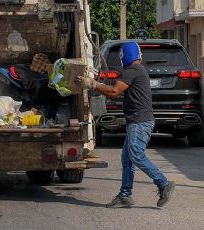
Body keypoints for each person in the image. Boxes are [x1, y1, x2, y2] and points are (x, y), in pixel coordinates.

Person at [75, 42, 175, 208]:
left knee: (135, 154)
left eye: (121, 56)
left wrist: (92, 84)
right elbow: (116, 83)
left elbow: (114, 91)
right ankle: (125, 196)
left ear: (125, 56)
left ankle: (163, 183)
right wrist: (96, 78)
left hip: (140, 122)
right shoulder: (135, 71)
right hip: (137, 121)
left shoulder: (133, 71)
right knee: (127, 159)